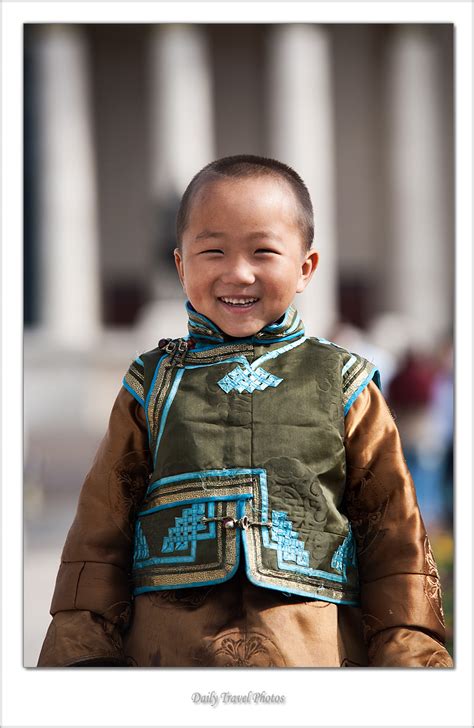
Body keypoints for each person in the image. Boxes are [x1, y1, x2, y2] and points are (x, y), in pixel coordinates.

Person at [38, 155, 453, 668]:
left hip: (312, 665)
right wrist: (83, 661)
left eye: (263, 251)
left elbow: (395, 540)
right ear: (180, 265)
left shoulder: (344, 382)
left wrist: (409, 661)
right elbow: (98, 537)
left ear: (305, 268)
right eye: (212, 251)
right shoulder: (151, 384)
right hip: (168, 666)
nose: (238, 273)